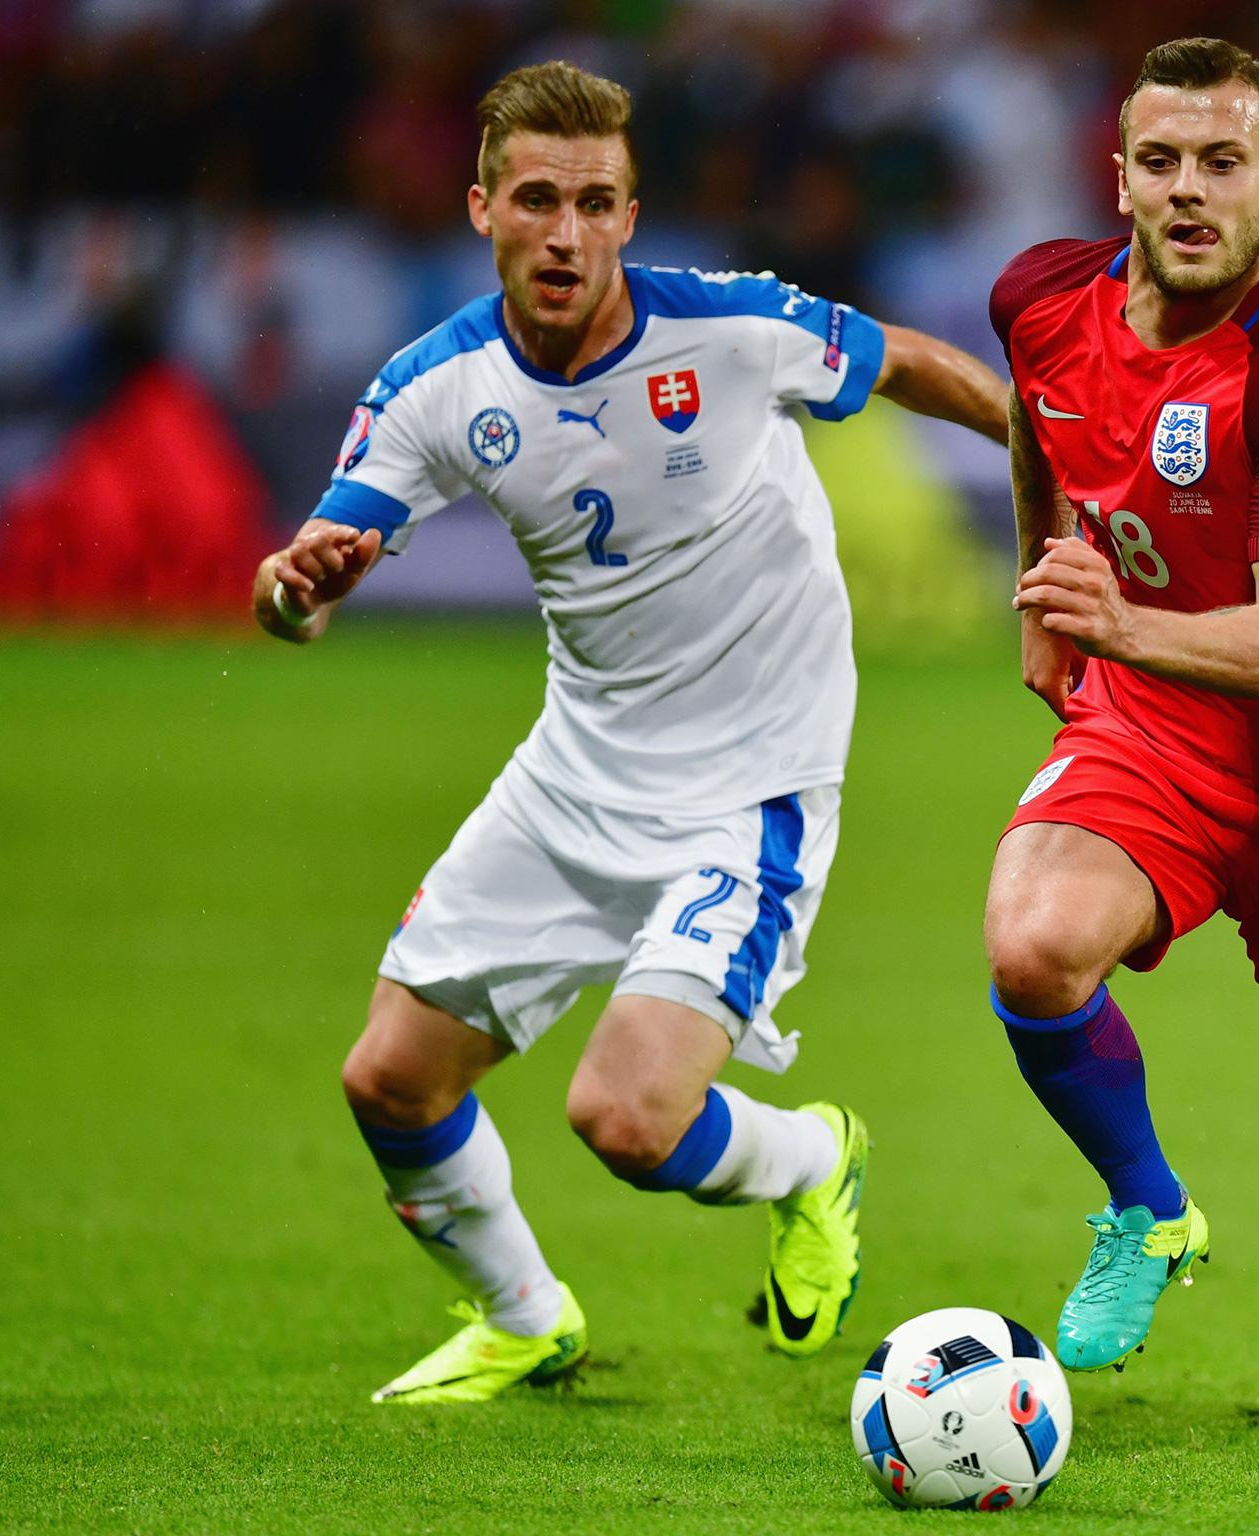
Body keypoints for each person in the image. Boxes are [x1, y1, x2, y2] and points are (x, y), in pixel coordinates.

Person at [251, 62, 1008, 1405]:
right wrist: (292, 592)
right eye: (535, 200)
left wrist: (1054, 449)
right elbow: (316, 567)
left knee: (625, 1117)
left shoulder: (728, 330)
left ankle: (815, 1160)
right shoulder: (437, 387)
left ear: (631, 217)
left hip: (752, 791)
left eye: (594, 203)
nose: (564, 233)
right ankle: (527, 1317)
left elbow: (911, 363)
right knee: (390, 1082)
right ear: (481, 207)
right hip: (575, 778)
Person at [983, 37, 1259, 1445]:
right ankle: (1145, 1209)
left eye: (1224, 164)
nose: (1191, 192)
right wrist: (1043, 585)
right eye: (1164, 162)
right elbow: (1035, 421)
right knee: (1035, 946)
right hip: (1159, 724)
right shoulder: (1041, 297)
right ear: (1119, 175)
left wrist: (1108, 619)